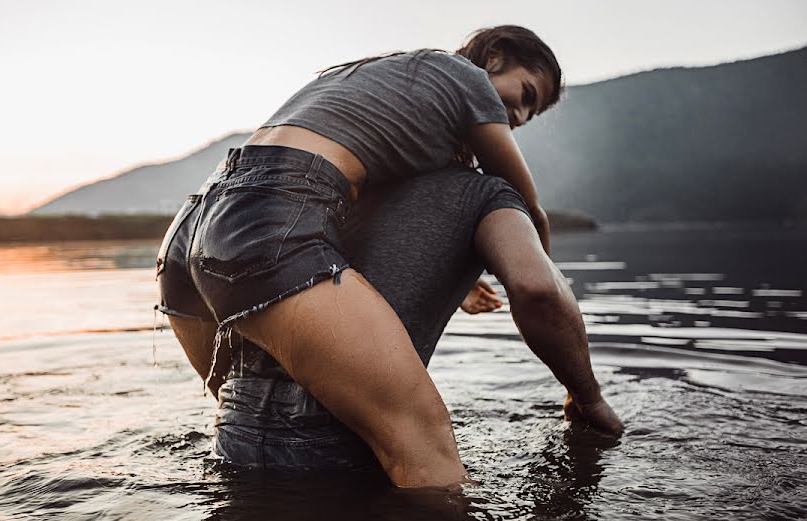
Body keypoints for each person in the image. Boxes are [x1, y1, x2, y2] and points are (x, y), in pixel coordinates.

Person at [160, 25, 583, 488]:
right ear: (496, 55)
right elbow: (528, 204)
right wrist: (541, 260)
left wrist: (460, 279)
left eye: (532, 111)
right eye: (524, 93)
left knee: (246, 407)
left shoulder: (394, 84)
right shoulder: (468, 78)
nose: (520, 114)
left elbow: (407, 221)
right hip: (270, 212)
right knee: (425, 445)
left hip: (193, 226)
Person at [157, 165, 624, 472]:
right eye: (522, 102)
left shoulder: (332, 183)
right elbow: (539, 289)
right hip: (347, 438)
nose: (517, 121)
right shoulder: (485, 193)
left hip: (233, 433)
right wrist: (587, 397)